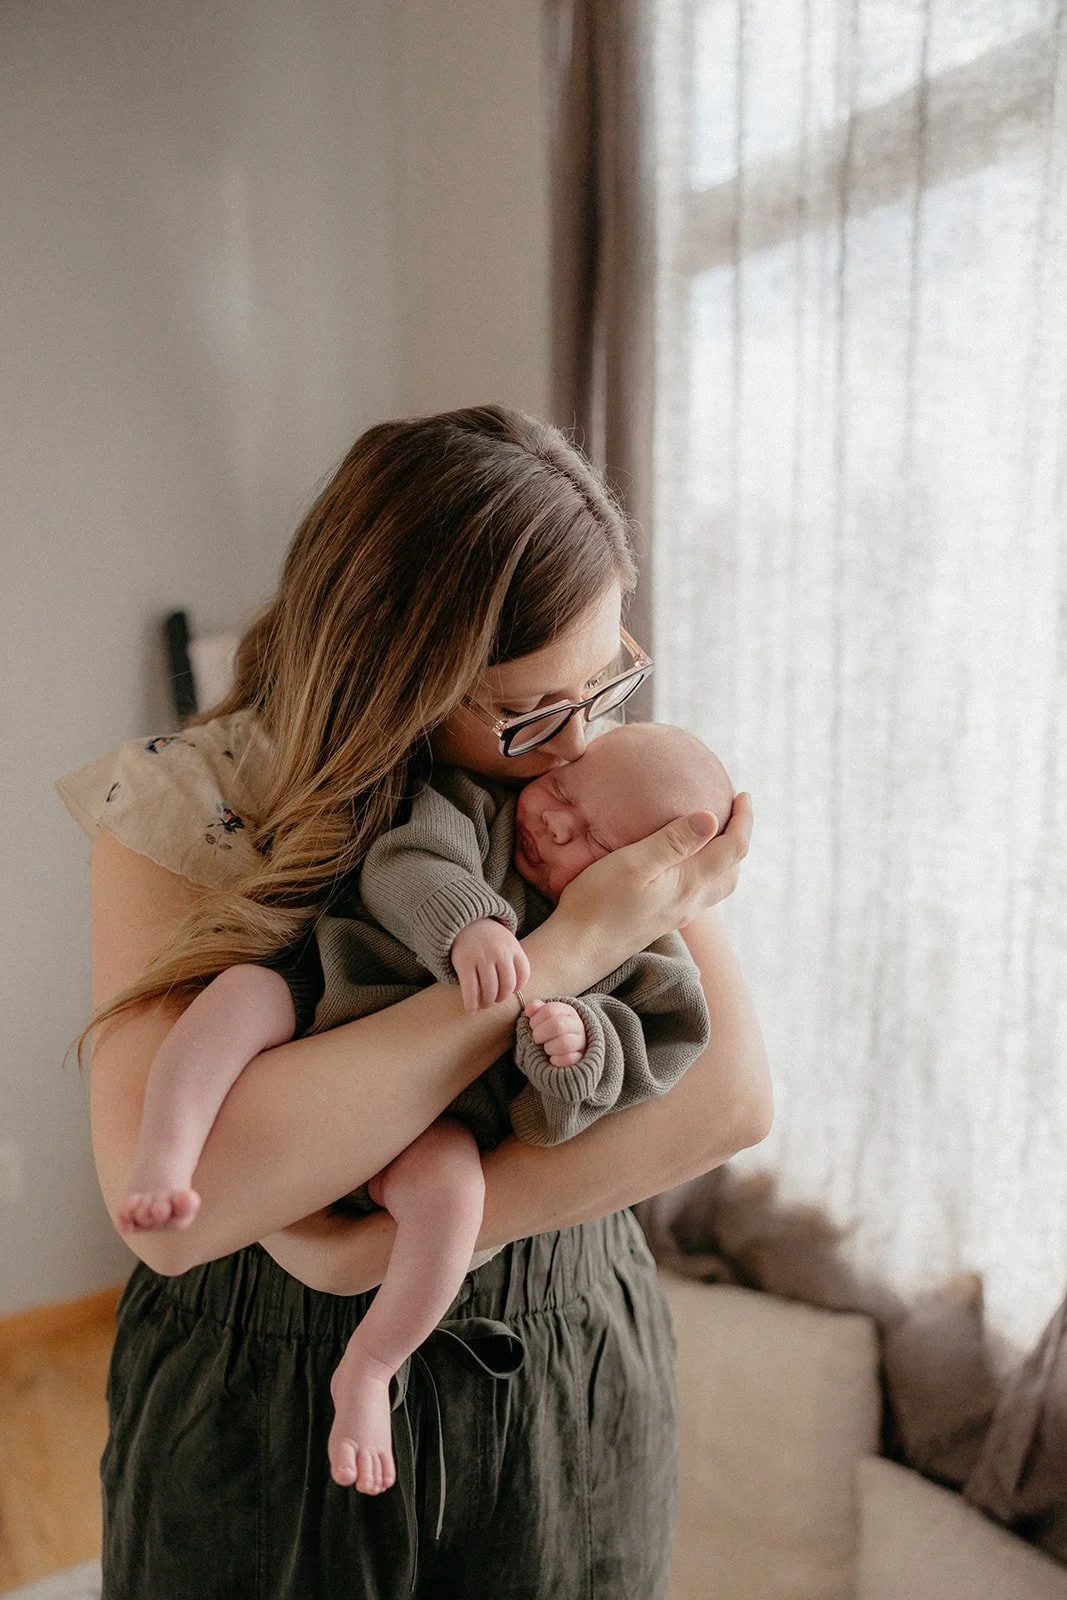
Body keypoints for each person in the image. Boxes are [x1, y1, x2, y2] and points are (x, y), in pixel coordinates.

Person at [59, 405, 770, 1599]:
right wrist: (561, 950)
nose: (577, 743)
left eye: (606, 681)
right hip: (256, 1399)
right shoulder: (182, 809)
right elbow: (177, 1211)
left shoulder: (586, 765)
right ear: (399, 673)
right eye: (531, 708)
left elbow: (728, 1099)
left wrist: (378, 1254)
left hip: (562, 1355)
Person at [103, 718, 733, 1497]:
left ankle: (370, 1367)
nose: (557, 819)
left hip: (439, 1121)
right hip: (330, 995)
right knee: (239, 996)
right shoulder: (476, 804)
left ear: (652, 875)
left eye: (596, 843)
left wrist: (577, 1046)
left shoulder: (653, 952)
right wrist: (466, 922)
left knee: (453, 1192)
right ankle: (166, 1156)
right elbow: (408, 860)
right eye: (564, 789)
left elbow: (656, 1062)